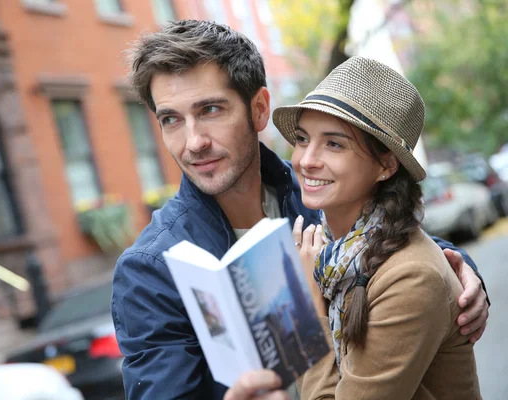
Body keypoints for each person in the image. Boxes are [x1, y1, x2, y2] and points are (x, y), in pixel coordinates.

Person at [111, 20, 489, 400]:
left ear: (258, 109)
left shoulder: (315, 195)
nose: (193, 142)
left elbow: (388, 240)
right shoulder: (150, 268)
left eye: (210, 109)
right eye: (171, 119)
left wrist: (460, 271)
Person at [225, 57, 482, 400]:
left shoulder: (410, 276)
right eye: (302, 139)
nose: (305, 160)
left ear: (386, 165)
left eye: (334, 143)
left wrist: (305, 307)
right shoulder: (331, 253)